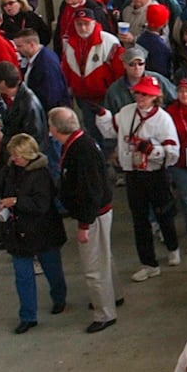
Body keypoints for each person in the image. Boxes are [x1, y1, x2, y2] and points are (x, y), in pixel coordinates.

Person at [96, 74, 182, 282]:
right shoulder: (126, 112)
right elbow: (109, 130)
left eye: (145, 94)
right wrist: (102, 115)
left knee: (164, 213)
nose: (141, 97)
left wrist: (152, 150)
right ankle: (148, 263)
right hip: (133, 173)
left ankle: (172, 247)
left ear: (155, 97)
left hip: (156, 173)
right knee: (139, 219)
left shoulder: (163, 119)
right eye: (138, 93)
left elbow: (173, 152)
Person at [48, 106, 118, 333]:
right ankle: (113, 296)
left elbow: (90, 192)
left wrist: (83, 225)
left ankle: (104, 312)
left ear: (58, 129)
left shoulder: (81, 150)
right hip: (98, 212)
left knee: (93, 266)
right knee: (105, 257)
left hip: (93, 216)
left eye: (51, 126)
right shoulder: (82, 142)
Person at [0, 133, 67, 334]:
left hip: (43, 231)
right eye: (13, 155)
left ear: (28, 154)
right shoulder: (9, 170)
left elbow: (42, 205)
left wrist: (15, 202)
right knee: (22, 276)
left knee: (52, 269)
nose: (14, 159)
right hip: (18, 232)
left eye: (17, 155)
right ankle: (28, 316)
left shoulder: (41, 175)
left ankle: (59, 297)